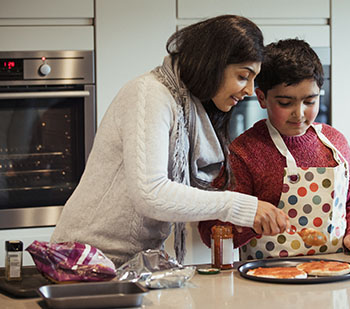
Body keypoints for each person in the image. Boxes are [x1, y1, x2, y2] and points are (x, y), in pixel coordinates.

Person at [50, 15, 291, 267]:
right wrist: (242, 206)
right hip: (84, 258)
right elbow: (151, 193)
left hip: (133, 262)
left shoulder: (191, 107)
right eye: (243, 76)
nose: (250, 90)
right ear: (213, 64)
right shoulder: (150, 94)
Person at [198, 39, 350, 260]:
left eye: (310, 101)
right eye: (285, 103)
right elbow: (210, 232)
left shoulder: (335, 141)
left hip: (335, 275)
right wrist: (252, 219)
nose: (299, 114)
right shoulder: (244, 153)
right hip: (266, 282)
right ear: (262, 98)